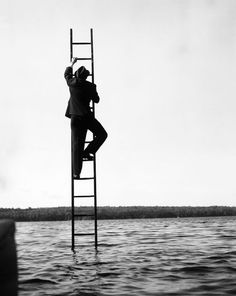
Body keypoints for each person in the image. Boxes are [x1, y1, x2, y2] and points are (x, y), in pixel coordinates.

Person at [64, 58, 107, 179]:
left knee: (77, 145)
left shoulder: (72, 82)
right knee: (102, 134)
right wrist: (93, 90)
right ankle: (87, 152)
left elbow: (66, 74)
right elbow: (97, 100)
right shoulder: (90, 86)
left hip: (75, 118)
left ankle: (76, 173)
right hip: (86, 117)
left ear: (76, 75)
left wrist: (72, 63)